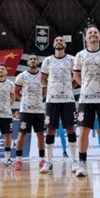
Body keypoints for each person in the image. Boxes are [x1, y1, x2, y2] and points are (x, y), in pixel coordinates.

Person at [73, 24, 100, 177]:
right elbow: (76, 75)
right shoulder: (80, 55)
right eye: (90, 33)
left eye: (95, 32)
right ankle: (82, 164)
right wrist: (86, 86)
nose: (93, 34)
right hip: (85, 99)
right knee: (83, 132)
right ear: (85, 38)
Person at [41, 36, 79, 173]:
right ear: (53, 44)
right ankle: (48, 161)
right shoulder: (48, 60)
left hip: (68, 100)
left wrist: (70, 86)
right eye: (56, 40)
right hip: (52, 101)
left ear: (65, 45)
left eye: (61, 41)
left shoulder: (72, 60)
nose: (59, 42)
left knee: (70, 129)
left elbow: (77, 78)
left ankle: (74, 161)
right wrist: (52, 88)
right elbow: (43, 79)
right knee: (50, 129)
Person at [14, 54, 47, 171]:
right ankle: (18, 160)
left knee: (40, 135)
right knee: (22, 134)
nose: (33, 61)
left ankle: (42, 160)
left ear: (38, 62)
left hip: (38, 110)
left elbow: (44, 91)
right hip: (25, 110)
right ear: (28, 62)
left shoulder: (42, 77)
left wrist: (39, 100)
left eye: (35, 59)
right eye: (31, 59)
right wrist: (23, 100)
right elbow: (16, 91)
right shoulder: (22, 76)